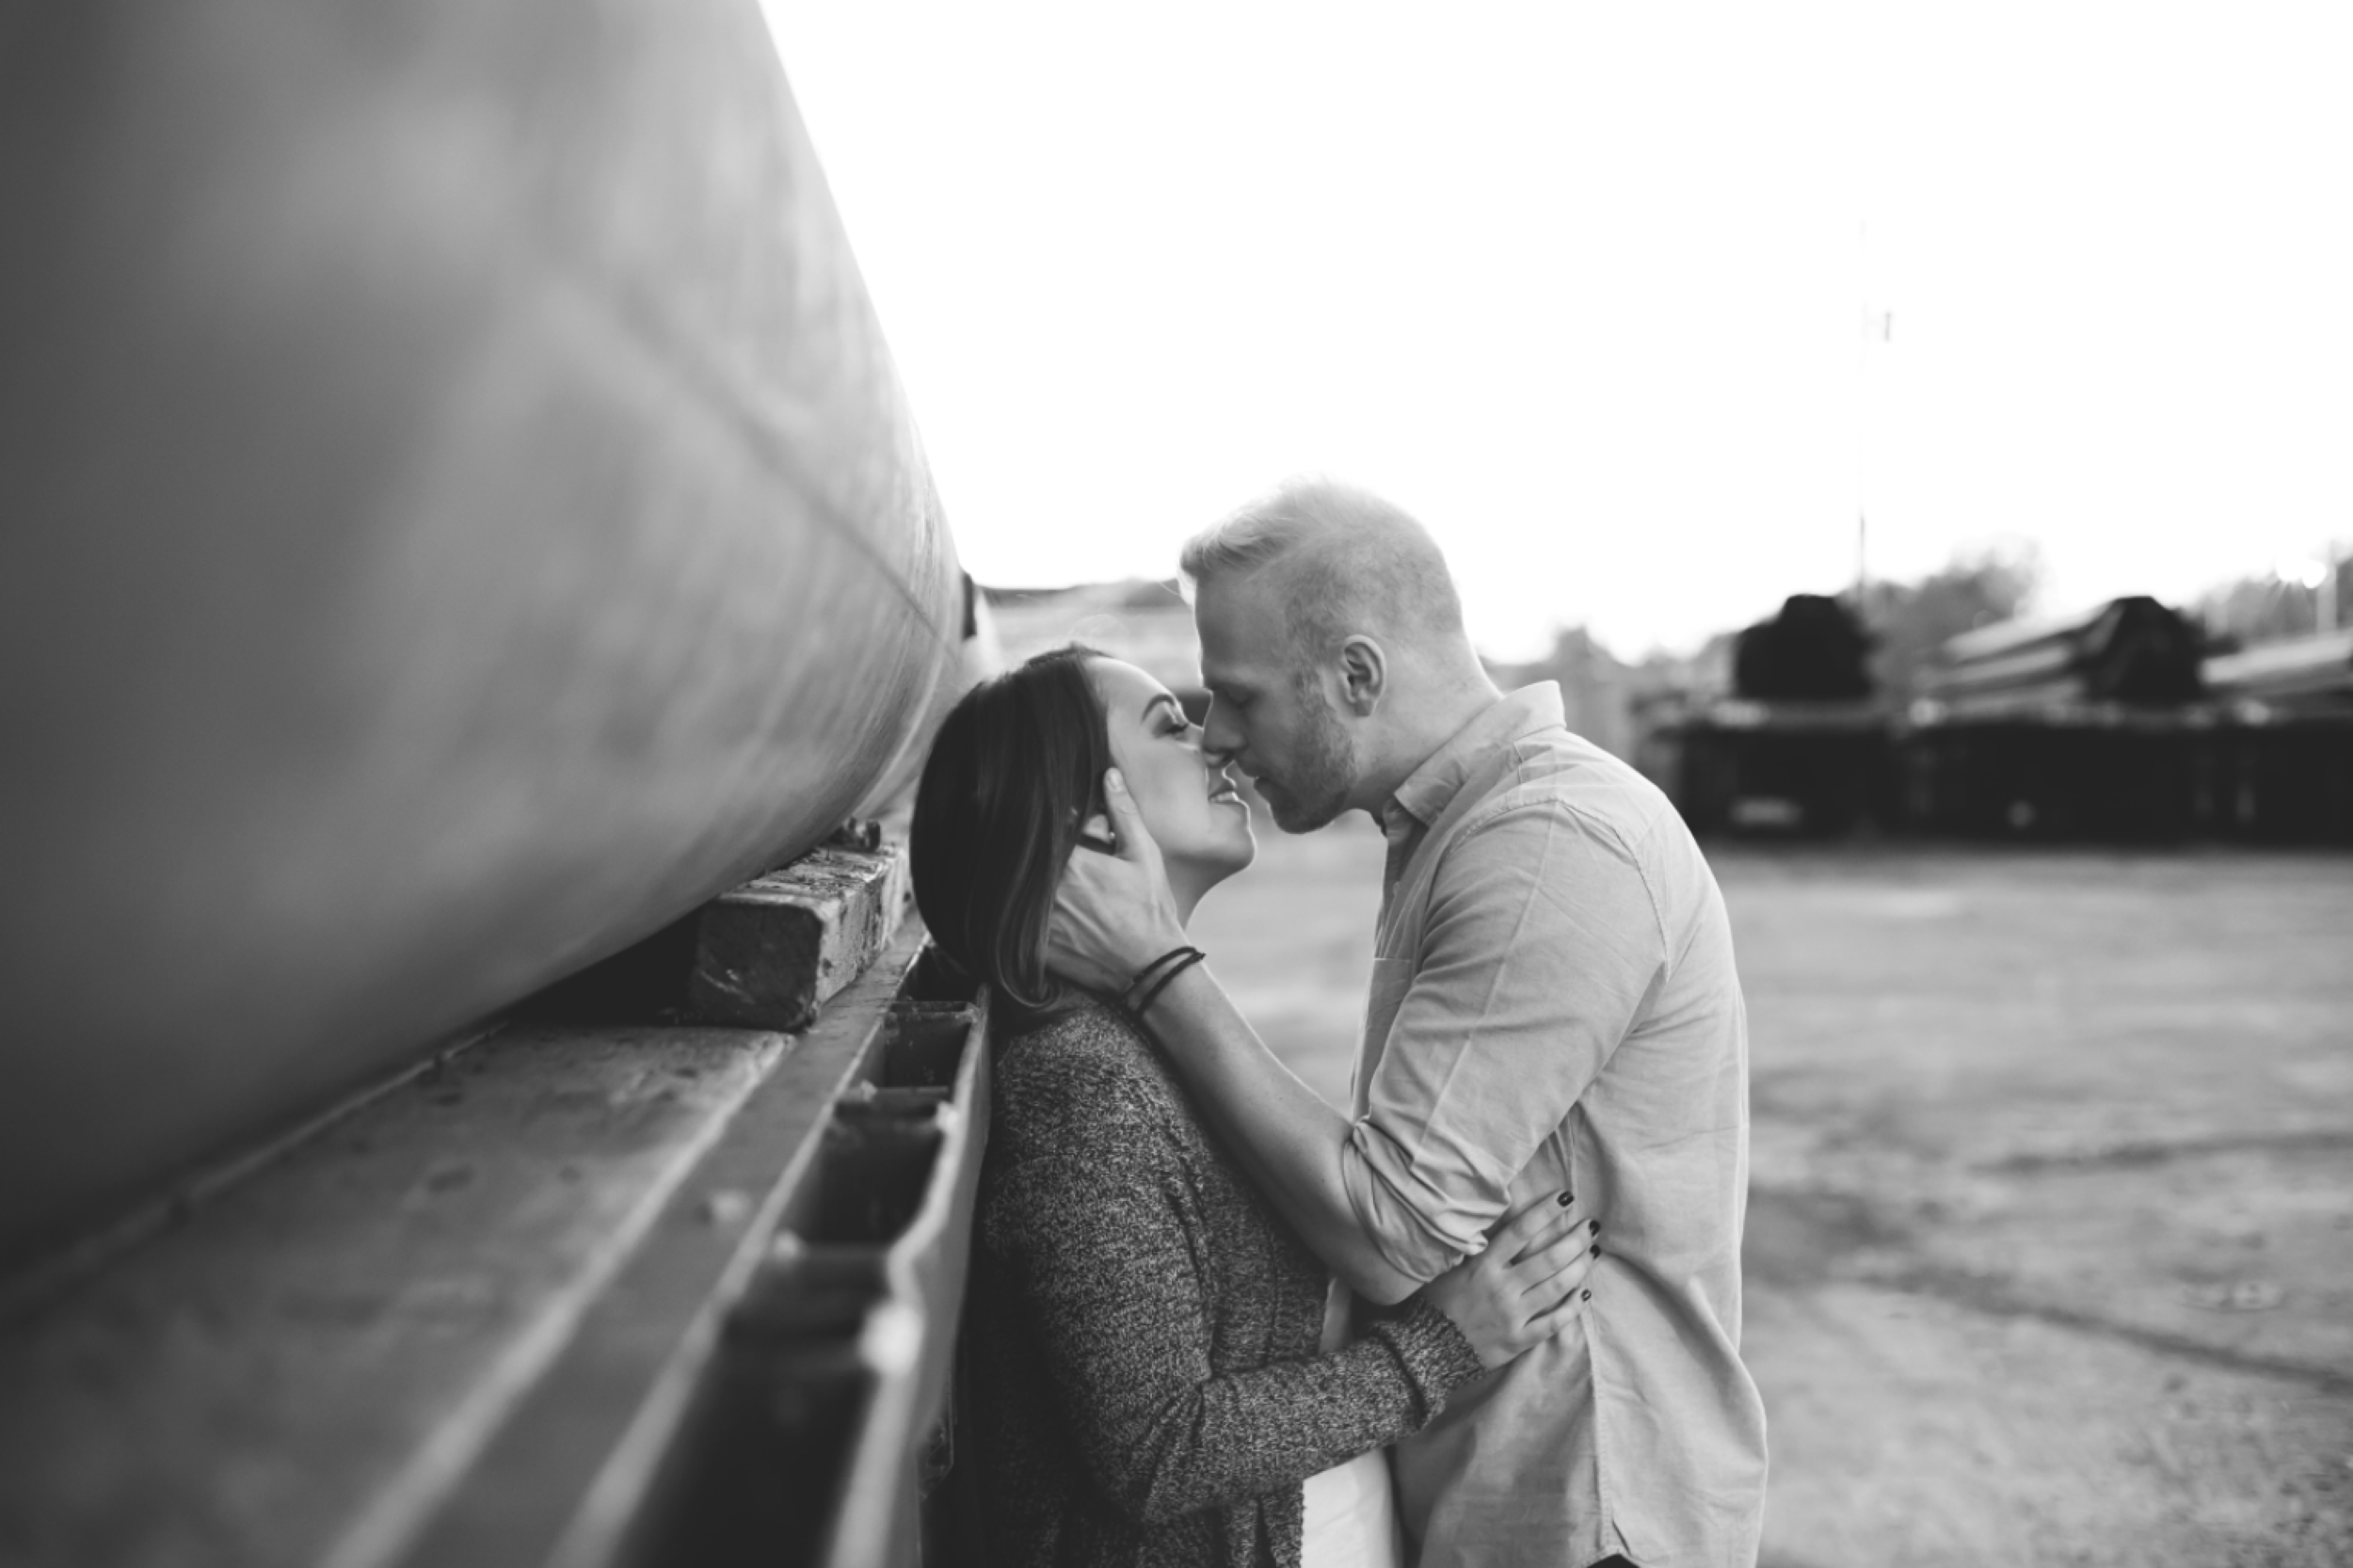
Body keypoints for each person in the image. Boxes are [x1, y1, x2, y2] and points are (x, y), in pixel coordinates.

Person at [1046, 481, 1769, 1567]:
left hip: (1580, 1510)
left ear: (1356, 675)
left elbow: (1390, 1227)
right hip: (1514, 1493)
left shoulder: (1545, 845)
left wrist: (1159, 971)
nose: (1222, 737)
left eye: (1238, 696)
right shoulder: (1459, 829)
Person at [911, 645, 1602, 1568]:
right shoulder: (1079, 1086)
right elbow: (1158, 1450)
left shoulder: (1141, 1032)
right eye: (1168, 725)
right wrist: (1443, 1345)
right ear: (1083, 819)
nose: (1215, 746)